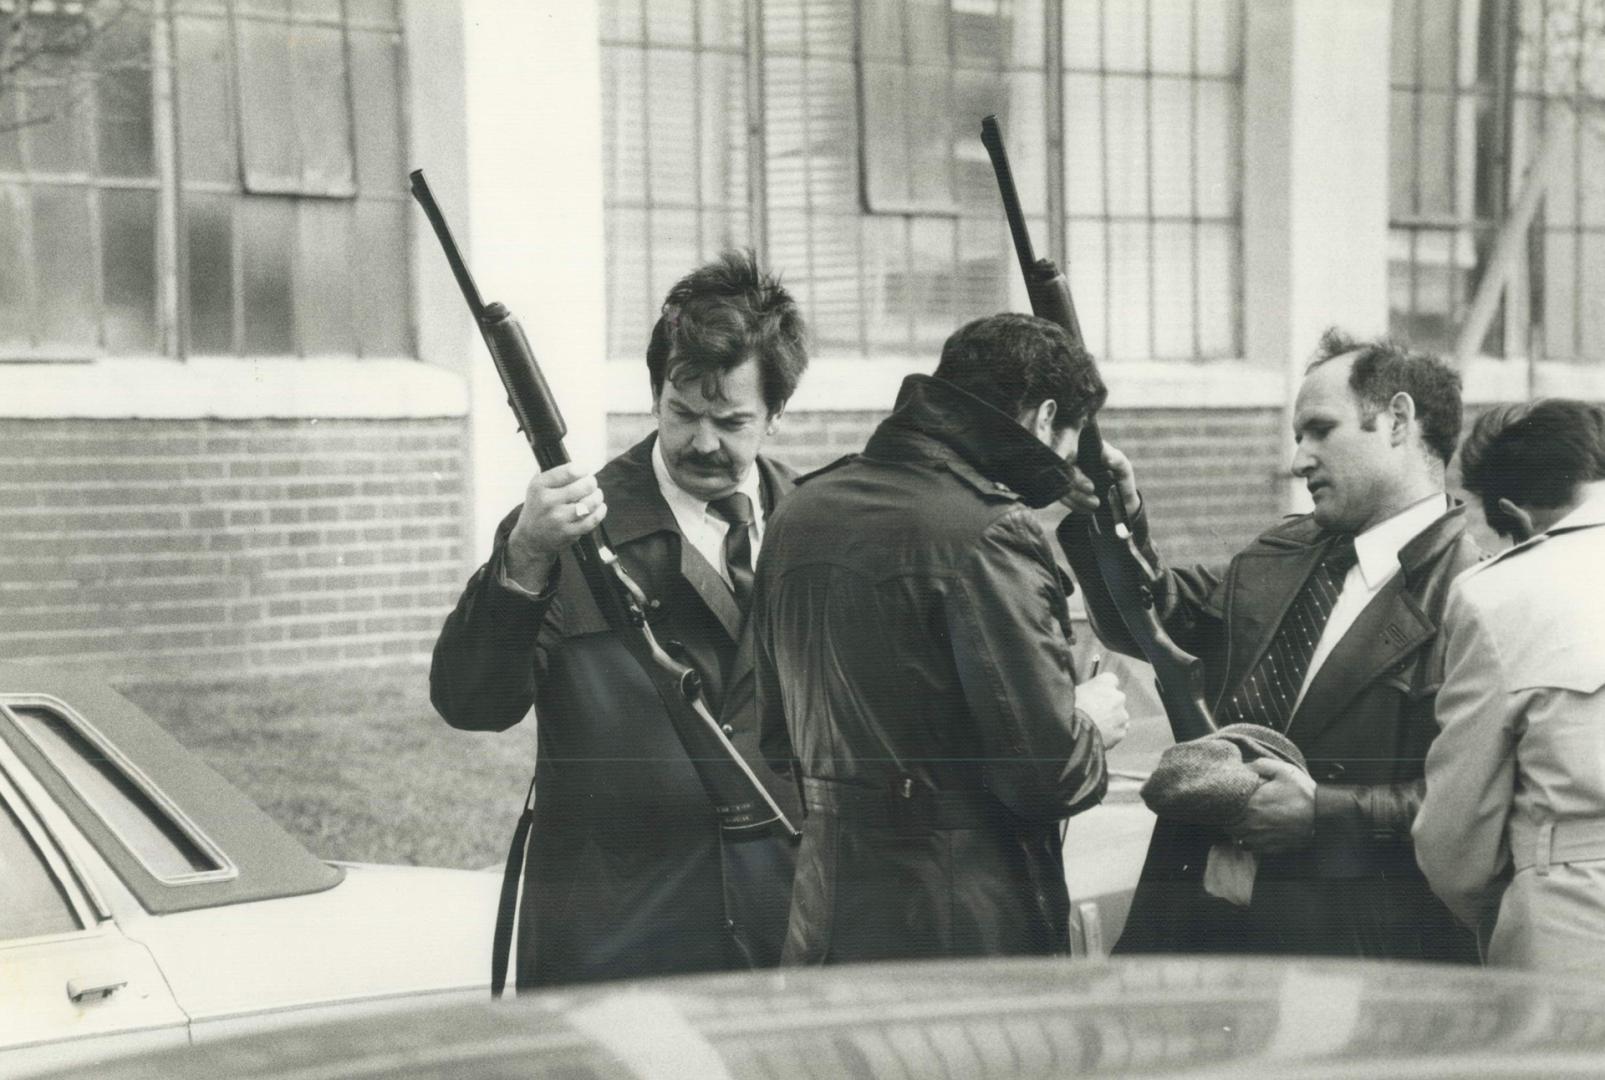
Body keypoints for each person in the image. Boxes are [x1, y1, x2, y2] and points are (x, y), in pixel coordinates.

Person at [430, 251, 808, 988]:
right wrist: (525, 558)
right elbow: (471, 702)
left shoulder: (818, 526)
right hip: (617, 944)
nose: (703, 442)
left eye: (731, 421)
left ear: (776, 413)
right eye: (682, 413)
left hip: (781, 933)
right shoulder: (562, 529)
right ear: (655, 396)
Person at [1063, 328, 1483, 961]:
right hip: (1196, 927)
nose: (1298, 460)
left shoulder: (1475, 595)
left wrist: (1328, 814)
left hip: (1354, 947)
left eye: (1320, 430)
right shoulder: (1282, 552)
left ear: (1398, 420)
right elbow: (1149, 618)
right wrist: (1113, 515)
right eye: (1297, 438)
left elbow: (1479, 804)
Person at [752, 313, 1127, 965]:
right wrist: (1089, 721)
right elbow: (1050, 778)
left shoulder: (798, 512)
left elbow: (780, 742)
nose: (1068, 461)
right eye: (1070, 438)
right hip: (957, 932)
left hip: (822, 916)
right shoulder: (991, 533)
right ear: (1041, 418)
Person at [1414, 399, 1605, 972]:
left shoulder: (1497, 593)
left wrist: (1502, 910)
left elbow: (1454, 840)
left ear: (1512, 516)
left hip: (1574, 917)